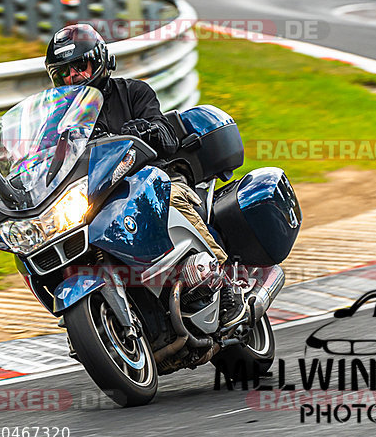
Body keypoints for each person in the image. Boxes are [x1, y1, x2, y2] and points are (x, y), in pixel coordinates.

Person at [45, 24, 245, 326]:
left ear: (99, 60)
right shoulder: (59, 121)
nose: (73, 77)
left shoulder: (133, 92)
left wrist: (147, 129)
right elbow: (46, 162)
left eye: (79, 66)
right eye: (64, 73)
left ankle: (226, 281)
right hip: (98, 197)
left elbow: (164, 132)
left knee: (169, 195)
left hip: (155, 178)